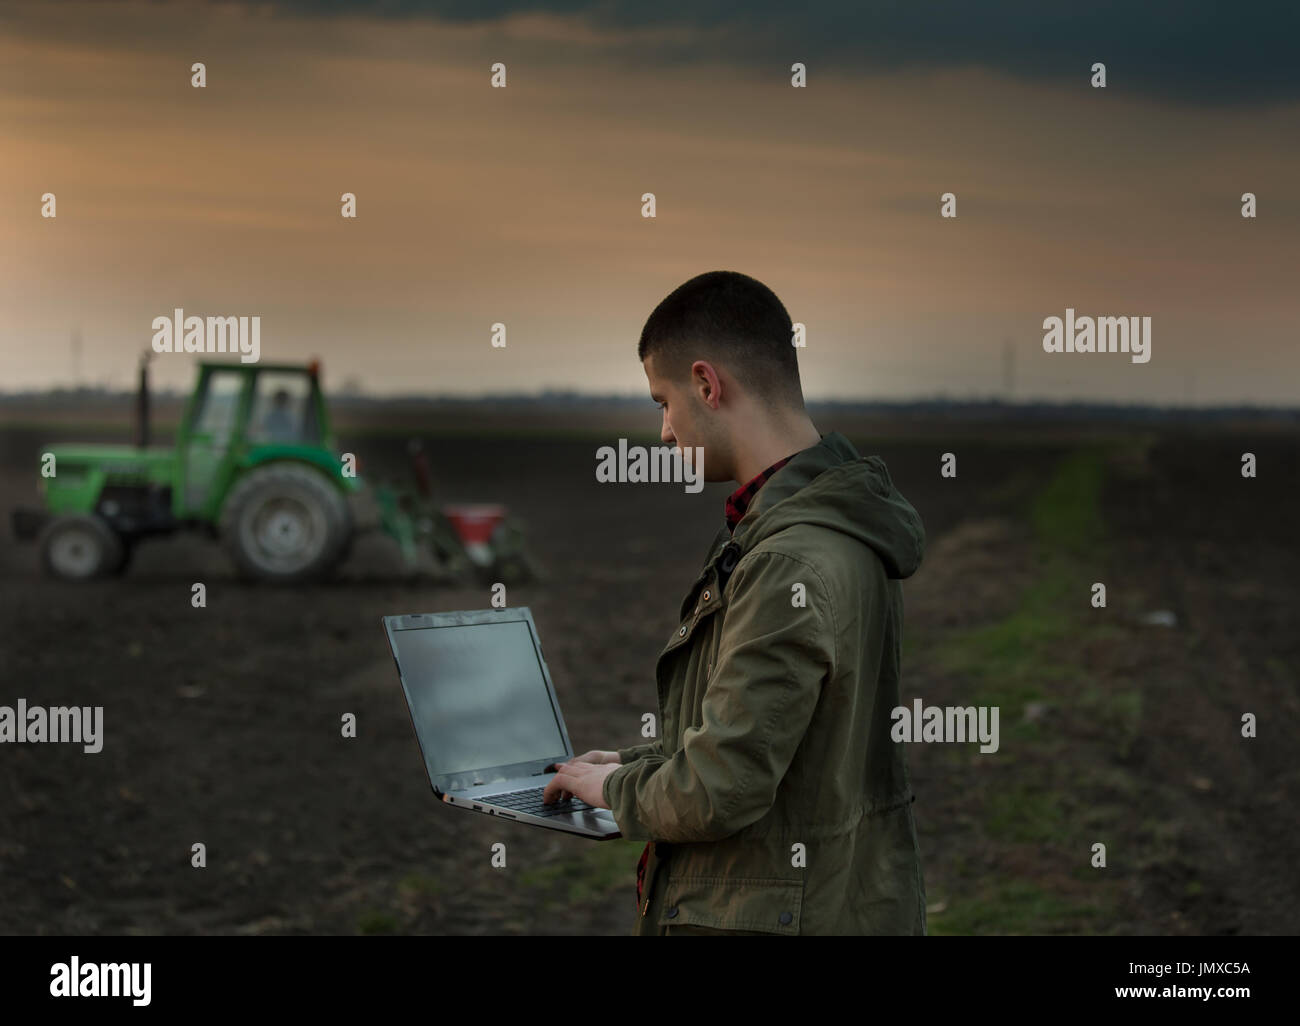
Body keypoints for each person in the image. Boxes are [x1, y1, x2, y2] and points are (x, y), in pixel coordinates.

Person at [542, 270, 928, 935]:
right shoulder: (847, 527)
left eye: (663, 401)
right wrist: (636, 765)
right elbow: (780, 745)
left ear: (706, 384)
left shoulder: (785, 560)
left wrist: (613, 792)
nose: (663, 431)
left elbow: (720, 788)